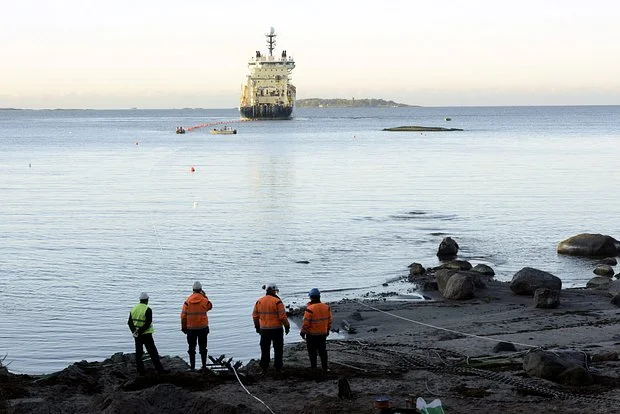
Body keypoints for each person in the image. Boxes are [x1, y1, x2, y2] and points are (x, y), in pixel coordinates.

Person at [252, 283, 290, 375]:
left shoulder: (259, 301)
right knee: (278, 349)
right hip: (276, 329)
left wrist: (257, 327)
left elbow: (255, 316)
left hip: (264, 330)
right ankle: (278, 368)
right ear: (273, 291)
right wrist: (287, 326)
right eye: (276, 291)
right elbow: (282, 317)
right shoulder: (277, 302)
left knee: (264, 349)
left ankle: (264, 368)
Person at [127, 292, 167, 375]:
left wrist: (135, 332)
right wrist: (140, 331)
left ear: (140, 299)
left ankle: (141, 372)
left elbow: (129, 322)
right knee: (153, 353)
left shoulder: (134, 308)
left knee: (139, 353)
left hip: (137, 335)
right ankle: (160, 371)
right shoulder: (148, 309)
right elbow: (148, 323)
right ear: (147, 300)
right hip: (147, 334)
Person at [181, 281, 213, 371]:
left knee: (191, 348)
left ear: (193, 290)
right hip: (203, 328)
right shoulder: (204, 300)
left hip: (191, 329)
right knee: (203, 347)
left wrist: (183, 327)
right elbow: (210, 306)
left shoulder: (187, 301)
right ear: (201, 290)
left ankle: (192, 367)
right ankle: (203, 366)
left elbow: (183, 316)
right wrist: (205, 296)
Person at [300, 288, 332, 375]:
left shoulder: (310, 309)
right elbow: (329, 320)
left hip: (312, 335)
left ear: (311, 297)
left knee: (312, 352)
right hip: (322, 333)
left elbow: (306, 323)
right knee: (323, 351)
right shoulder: (326, 307)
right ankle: (325, 368)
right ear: (319, 296)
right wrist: (327, 330)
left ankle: (314, 368)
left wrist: (302, 332)